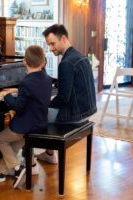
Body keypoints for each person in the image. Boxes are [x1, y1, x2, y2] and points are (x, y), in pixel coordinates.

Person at [0, 45, 52, 188]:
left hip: (24, 126)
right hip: (40, 123)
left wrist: (6, 95)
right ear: (43, 62)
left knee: (0, 139)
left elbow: (18, 106)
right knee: (13, 145)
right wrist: (17, 89)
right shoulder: (46, 78)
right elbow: (33, 93)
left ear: (24, 62)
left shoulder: (27, 82)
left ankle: (16, 168)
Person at [36, 24, 97, 164]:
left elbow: (63, 98)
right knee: (44, 109)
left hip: (75, 115)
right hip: (87, 110)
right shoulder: (80, 56)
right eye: (49, 45)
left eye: (52, 44)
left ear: (63, 38)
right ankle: (49, 153)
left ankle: (28, 160)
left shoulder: (66, 63)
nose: (51, 49)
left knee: (34, 113)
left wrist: (45, 104)